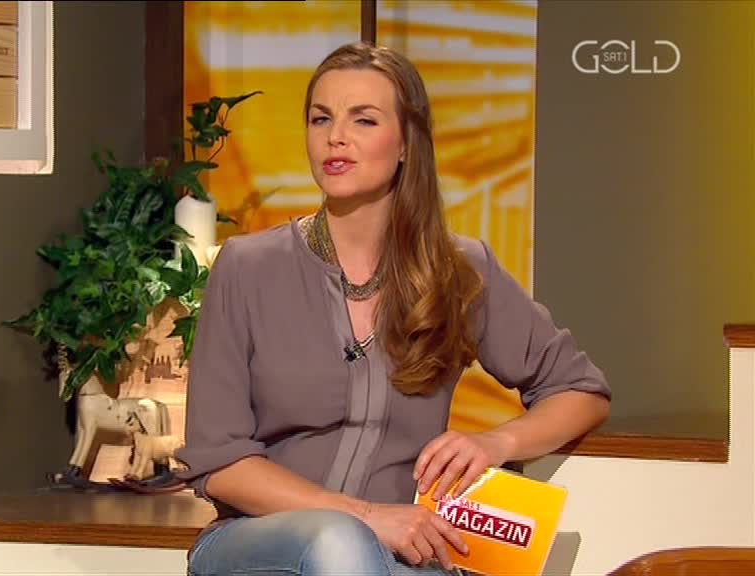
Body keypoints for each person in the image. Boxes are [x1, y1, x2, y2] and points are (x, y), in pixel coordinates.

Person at [173, 41, 611, 576]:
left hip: (402, 553)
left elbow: (581, 392)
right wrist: (365, 517)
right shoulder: (247, 268)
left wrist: (497, 442)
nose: (335, 136)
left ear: (406, 144)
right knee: (339, 541)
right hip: (257, 545)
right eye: (321, 118)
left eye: (363, 120)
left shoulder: (458, 272)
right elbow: (220, 464)